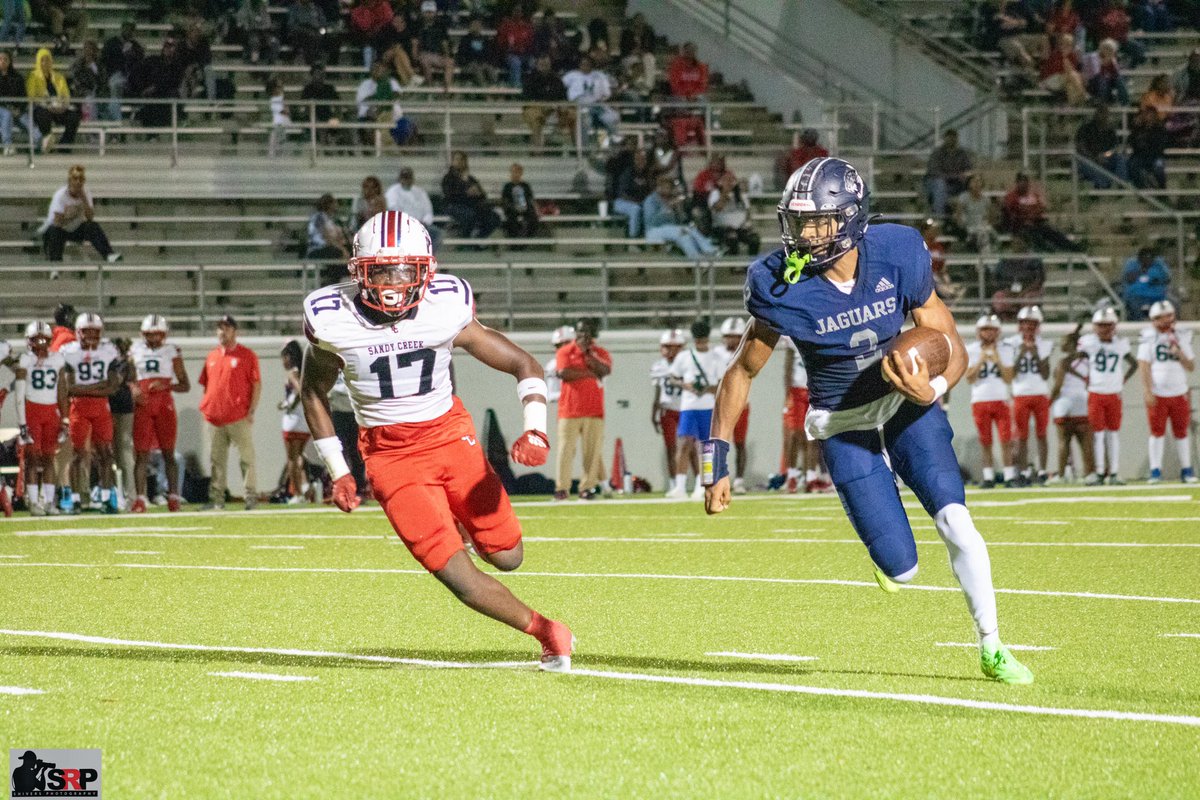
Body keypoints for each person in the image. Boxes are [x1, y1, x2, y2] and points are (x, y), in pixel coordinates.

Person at [705, 157, 1034, 684]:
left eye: (817, 221)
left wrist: (935, 387)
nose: (803, 234)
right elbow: (742, 371)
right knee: (903, 567)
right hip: (842, 421)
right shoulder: (781, 284)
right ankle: (885, 537)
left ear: (851, 219)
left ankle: (992, 645)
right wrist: (715, 458)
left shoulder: (897, 252)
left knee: (956, 521)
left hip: (906, 401)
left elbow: (952, 347)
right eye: (797, 221)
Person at [299, 209, 574, 671]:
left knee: (509, 556)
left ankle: (458, 518)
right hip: (390, 457)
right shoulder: (333, 319)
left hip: (450, 437)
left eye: (406, 270)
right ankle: (546, 631)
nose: (394, 282)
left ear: (427, 270)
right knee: (460, 579)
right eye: (382, 269)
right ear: (358, 270)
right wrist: (339, 469)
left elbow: (525, 365)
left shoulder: (447, 307)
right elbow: (312, 390)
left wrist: (536, 428)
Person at [60, 312, 121, 514]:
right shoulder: (69, 351)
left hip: (101, 406)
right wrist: (98, 386)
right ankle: (75, 499)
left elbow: (113, 387)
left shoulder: (108, 350)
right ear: (78, 332)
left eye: (95, 332)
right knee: (78, 455)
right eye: (87, 331)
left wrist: (85, 388)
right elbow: (70, 387)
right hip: (79, 406)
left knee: (106, 454)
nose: (92, 336)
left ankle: (107, 498)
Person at [198, 315, 261, 510]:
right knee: (216, 460)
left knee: (246, 458)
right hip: (214, 417)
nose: (221, 332)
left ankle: (250, 497)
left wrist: (251, 410)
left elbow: (256, 385)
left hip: (238, 416)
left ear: (235, 331)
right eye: (219, 328)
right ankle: (217, 499)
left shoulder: (247, 355)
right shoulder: (212, 356)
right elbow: (207, 384)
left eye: (226, 328)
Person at [130, 314, 187, 513]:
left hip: (164, 404)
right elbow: (127, 379)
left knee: (168, 453)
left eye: (158, 335)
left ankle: (173, 496)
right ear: (143, 334)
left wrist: (166, 384)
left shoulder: (172, 351)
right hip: (144, 404)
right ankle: (140, 498)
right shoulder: (135, 350)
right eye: (150, 335)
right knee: (141, 454)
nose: (154, 339)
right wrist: (133, 389)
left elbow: (184, 384)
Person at [13, 322, 69, 516]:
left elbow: (62, 391)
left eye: (43, 339)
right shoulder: (25, 360)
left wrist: (65, 419)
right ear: (29, 341)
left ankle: (48, 501)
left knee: (48, 457)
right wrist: (22, 423)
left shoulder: (57, 359)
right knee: (32, 458)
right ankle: (34, 501)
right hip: (32, 410)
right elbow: (19, 394)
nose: (40, 343)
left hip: (50, 410)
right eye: (36, 339)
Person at [1077, 306, 1138, 484]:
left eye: (1108, 325)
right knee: (1097, 434)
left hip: (1113, 393)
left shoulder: (1121, 343)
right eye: (1101, 325)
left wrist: (1122, 380)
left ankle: (1114, 472)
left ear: (1114, 326)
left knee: (1113, 433)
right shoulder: (1089, 342)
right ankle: (1099, 471)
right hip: (1096, 391)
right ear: (1095, 327)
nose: (1104, 329)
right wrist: (1084, 376)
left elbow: (1133, 364)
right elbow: (1072, 360)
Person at [1138, 300, 1196, 483]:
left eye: (1168, 316)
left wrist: (1178, 353)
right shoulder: (1148, 338)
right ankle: (1155, 470)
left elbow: (1191, 366)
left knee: (1181, 432)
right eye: (1160, 318)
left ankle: (1186, 470)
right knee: (1157, 432)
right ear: (1153, 320)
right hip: (1159, 393)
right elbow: (1144, 365)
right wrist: (1148, 390)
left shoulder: (1181, 336)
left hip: (1179, 392)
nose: (1165, 321)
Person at [553, 318, 612, 501]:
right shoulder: (565, 351)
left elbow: (605, 370)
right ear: (576, 332)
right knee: (565, 451)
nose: (584, 335)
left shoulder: (599, 352)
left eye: (588, 331)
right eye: (581, 331)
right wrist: (588, 373)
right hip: (569, 410)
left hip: (594, 410)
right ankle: (562, 488)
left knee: (592, 453)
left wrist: (589, 357)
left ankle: (587, 488)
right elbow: (564, 373)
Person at [666, 318, 723, 501]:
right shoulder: (685, 357)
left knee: (706, 448)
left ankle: (703, 485)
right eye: (698, 340)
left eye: (703, 340)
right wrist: (686, 385)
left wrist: (707, 388)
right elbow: (673, 377)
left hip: (708, 407)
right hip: (689, 407)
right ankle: (680, 486)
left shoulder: (716, 358)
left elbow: (723, 384)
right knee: (684, 445)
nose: (700, 343)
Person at [966, 314, 1017, 487]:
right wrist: (981, 359)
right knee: (985, 441)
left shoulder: (1006, 348)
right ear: (978, 332)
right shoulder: (972, 349)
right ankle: (988, 476)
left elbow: (1009, 378)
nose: (988, 333)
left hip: (1001, 399)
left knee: (1006, 440)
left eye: (992, 330)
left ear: (998, 332)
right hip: (980, 400)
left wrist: (997, 360)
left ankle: (1009, 476)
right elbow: (970, 378)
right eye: (985, 330)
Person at [1004, 305, 1053, 484]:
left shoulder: (1044, 344)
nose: (1029, 327)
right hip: (1020, 393)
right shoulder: (1011, 343)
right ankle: (1023, 472)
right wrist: (1022, 353)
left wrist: (1036, 354)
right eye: (1025, 323)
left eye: (1032, 324)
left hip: (1040, 392)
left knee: (1042, 434)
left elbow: (1046, 374)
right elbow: (1012, 374)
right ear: (1020, 324)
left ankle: (1042, 470)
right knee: (1021, 436)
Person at [41, 165, 121, 264]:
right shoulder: (60, 196)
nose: (78, 182)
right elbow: (57, 222)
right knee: (55, 232)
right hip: (59, 228)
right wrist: (70, 216)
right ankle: (55, 264)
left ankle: (108, 254)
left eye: (81, 179)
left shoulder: (86, 193)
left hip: (75, 228)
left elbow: (90, 217)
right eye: (75, 179)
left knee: (92, 226)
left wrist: (84, 200)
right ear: (70, 181)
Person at [1049, 325, 1094, 483]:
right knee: (1086, 441)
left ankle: (1062, 475)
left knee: (1063, 441)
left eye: (1063, 341)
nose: (1061, 343)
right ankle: (1089, 474)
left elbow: (1058, 386)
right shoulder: (1087, 360)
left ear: (1070, 343)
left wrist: (1049, 402)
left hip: (1065, 402)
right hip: (1082, 400)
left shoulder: (1064, 362)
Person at [711, 317, 750, 494]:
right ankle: (711, 478)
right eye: (728, 336)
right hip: (717, 405)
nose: (732, 340)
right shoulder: (715, 353)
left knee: (740, 443)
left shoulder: (746, 352)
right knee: (713, 442)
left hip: (740, 403)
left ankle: (739, 480)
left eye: (736, 336)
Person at [642, 176, 719, 260]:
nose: (668, 190)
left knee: (685, 236)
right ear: (658, 188)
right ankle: (709, 249)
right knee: (685, 230)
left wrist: (679, 210)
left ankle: (697, 260)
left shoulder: (672, 199)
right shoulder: (651, 200)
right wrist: (667, 208)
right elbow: (651, 221)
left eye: (669, 187)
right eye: (665, 187)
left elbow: (679, 221)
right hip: (653, 231)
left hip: (673, 230)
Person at [1000, 172, 1078, 251]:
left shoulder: (1032, 196)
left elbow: (1040, 208)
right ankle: (1051, 253)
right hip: (1020, 226)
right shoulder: (1011, 197)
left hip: (1036, 223)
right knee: (1035, 237)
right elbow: (1009, 213)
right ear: (1017, 183)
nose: (1024, 184)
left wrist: (1032, 214)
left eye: (1025, 181)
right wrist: (1024, 216)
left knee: (1052, 232)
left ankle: (1074, 249)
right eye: (1021, 181)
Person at [650, 328, 685, 488]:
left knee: (690, 449)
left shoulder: (687, 363)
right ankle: (673, 483)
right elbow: (657, 393)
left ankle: (698, 482)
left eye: (675, 347)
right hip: (667, 410)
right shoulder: (658, 366)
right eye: (667, 346)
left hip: (686, 410)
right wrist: (654, 414)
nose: (671, 350)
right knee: (671, 449)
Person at [26, 47, 78, 153]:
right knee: (43, 114)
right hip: (42, 107)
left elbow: (66, 94)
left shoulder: (59, 77)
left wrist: (62, 106)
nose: (45, 63)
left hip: (58, 107)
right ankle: (48, 143)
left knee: (74, 116)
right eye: (42, 60)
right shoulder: (33, 76)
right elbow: (31, 96)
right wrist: (47, 105)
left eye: (47, 60)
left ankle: (65, 145)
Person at [279, 339, 312, 503]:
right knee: (299, 456)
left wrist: (289, 404)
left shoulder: (293, 372)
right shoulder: (305, 370)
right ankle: (305, 485)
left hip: (293, 420)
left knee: (291, 459)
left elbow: (300, 392)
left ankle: (297, 493)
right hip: (305, 421)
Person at [521, 54, 576, 149]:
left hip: (555, 109)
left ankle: (578, 149)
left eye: (547, 64)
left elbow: (564, 98)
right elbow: (527, 100)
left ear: (550, 64)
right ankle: (537, 152)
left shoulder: (557, 79)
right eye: (542, 64)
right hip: (535, 108)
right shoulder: (529, 78)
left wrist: (561, 106)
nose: (544, 66)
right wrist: (543, 106)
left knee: (574, 115)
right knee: (535, 117)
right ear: (537, 64)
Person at [562, 55, 618, 148]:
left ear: (592, 65)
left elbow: (607, 93)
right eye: (583, 64)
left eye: (588, 64)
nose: (585, 66)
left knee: (608, 119)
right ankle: (584, 149)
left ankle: (605, 147)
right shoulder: (571, 75)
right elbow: (560, 87)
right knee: (585, 121)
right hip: (579, 104)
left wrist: (603, 99)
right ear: (579, 65)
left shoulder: (599, 75)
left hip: (597, 104)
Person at [442, 150, 500, 239]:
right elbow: (449, 195)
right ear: (453, 161)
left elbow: (483, 195)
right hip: (454, 205)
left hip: (472, 205)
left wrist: (478, 193)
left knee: (495, 218)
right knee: (469, 215)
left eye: (462, 160)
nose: (459, 162)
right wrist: (466, 192)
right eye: (457, 159)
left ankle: (479, 239)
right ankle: (465, 241)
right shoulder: (448, 178)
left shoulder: (471, 179)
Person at [385, 166, 442, 251]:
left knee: (436, 233)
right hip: (401, 226)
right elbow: (393, 211)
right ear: (400, 179)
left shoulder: (420, 192)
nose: (406, 180)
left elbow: (428, 212)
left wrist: (425, 222)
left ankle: (428, 257)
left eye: (408, 178)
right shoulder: (392, 192)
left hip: (421, 225)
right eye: (404, 178)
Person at [108, 335, 136, 510]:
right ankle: (118, 493)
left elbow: (116, 383)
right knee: (114, 453)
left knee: (123, 451)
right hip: (114, 405)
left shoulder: (123, 363)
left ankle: (129, 494)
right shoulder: (120, 362)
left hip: (121, 406)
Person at [924, 128, 974, 220]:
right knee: (940, 185)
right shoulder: (937, 153)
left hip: (956, 184)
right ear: (945, 138)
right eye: (949, 137)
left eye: (954, 137)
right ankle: (939, 219)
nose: (952, 140)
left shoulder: (962, 153)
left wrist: (965, 175)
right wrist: (955, 176)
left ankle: (967, 220)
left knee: (973, 183)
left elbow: (969, 169)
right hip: (935, 183)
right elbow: (934, 172)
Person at [1075, 104, 1128, 188]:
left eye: (1106, 114)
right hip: (1090, 159)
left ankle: (1121, 185)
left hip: (1106, 158)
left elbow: (1114, 148)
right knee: (1085, 163)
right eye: (1101, 113)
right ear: (1096, 114)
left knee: (1120, 158)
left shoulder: (1110, 131)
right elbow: (1080, 148)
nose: (1103, 116)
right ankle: (1103, 184)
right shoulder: (1085, 128)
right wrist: (1095, 157)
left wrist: (1106, 155)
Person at [100, 21, 144, 122]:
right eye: (127, 28)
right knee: (116, 87)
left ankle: (134, 119)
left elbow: (141, 61)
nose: (129, 31)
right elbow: (104, 61)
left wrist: (132, 54)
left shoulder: (135, 46)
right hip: (115, 75)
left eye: (131, 30)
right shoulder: (112, 43)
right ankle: (117, 122)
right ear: (122, 28)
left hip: (131, 79)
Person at [708, 172, 760, 255]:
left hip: (740, 228)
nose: (729, 183)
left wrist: (739, 193)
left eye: (731, 180)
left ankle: (750, 265)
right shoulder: (715, 193)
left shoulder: (740, 194)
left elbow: (747, 213)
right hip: (722, 227)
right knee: (732, 237)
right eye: (726, 180)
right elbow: (717, 208)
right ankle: (734, 267)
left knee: (754, 239)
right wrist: (725, 194)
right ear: (720, 182)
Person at [307, 193, 350, 285]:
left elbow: (337, 237)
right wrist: (342, 250)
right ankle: (331, 280)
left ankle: (335, 279)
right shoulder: (319, 217)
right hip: (317, 249)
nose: (337, 205)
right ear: (329, 204)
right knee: (336, 253)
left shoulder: (331, 219)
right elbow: (327, 238)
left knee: (350, 250)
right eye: (335, 202)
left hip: (329, 248)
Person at [412, 1, 454, 89]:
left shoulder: (441, 25)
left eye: (430, 12)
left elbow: (444, 43)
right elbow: (415, 43)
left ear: (434, 12)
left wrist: (446, 55)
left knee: (449, 62)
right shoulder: (417, 25)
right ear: (423, 12)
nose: (429, 14)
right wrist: (415, 58)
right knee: (425, 61)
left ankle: (447, 88)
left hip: (437, 55)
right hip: (423, 54)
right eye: (427, 12)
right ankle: (430, 87)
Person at [1121, 246, 1170, 320]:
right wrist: (1140, 272)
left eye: (1149, 257)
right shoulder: (1132, 265)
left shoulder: (1158, 266)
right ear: (1139, 258)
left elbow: (1166, 279)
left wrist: (1155, 279)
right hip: (1136, 296)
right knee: (1133, 305)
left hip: (1156, 296)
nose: (1147, 259)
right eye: (1144, 257)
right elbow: (1128, 278)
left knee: (1169, 302)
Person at [955, 175, 997, 253]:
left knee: (989, 234)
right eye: (974, 181)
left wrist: (986, 223)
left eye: (979, 181)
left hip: (982, 227)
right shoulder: (963, 198)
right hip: (968, 227)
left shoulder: (986, 199)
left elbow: (991, 216)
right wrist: (962, 226)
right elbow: (958, 215)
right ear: (969, 184)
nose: (977, 184)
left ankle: (987, 256)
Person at [456, 15, 498, 86]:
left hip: (482, 62)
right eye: (474, 25)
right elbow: (462, 54)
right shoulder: (465, 39)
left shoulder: (485, 40)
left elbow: (488, 53)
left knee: (491, 69)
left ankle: (494, 88)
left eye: (478, 25)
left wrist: (485, 62)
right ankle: (484, 92)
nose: (476, 27)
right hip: (469, 63)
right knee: (477, 69)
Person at [0, 50, 28, 156]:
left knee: (28, 122)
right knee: (7, 115)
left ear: (9, 61)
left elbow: (24, 97)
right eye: (0, 59)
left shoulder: (17, 77)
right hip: (2, 109)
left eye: (5, 59)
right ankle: (7, 145)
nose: (2, 61)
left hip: (16, 110)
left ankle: (40, 143)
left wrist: (19, 109)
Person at [500, 162, 539, 238]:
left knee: (533, 218)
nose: (514, 174)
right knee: (511, 220)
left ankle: (528, 237)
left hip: (525, 208)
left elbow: (531, 199)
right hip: (512, 208)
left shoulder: (525, 185)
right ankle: (514, 240)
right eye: (513, 172)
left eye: (517, 172)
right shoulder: (507, 186)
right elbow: (504, 200)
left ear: (521, 173)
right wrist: (513, 207)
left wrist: (536, 209)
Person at [545, 324, 574, 405]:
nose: (563, 349)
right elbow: (550, 395)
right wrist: (572, 395)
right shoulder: (553, 366)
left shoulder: (584, 362)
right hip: (564, 410)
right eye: (559, 346)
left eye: (567, 345)